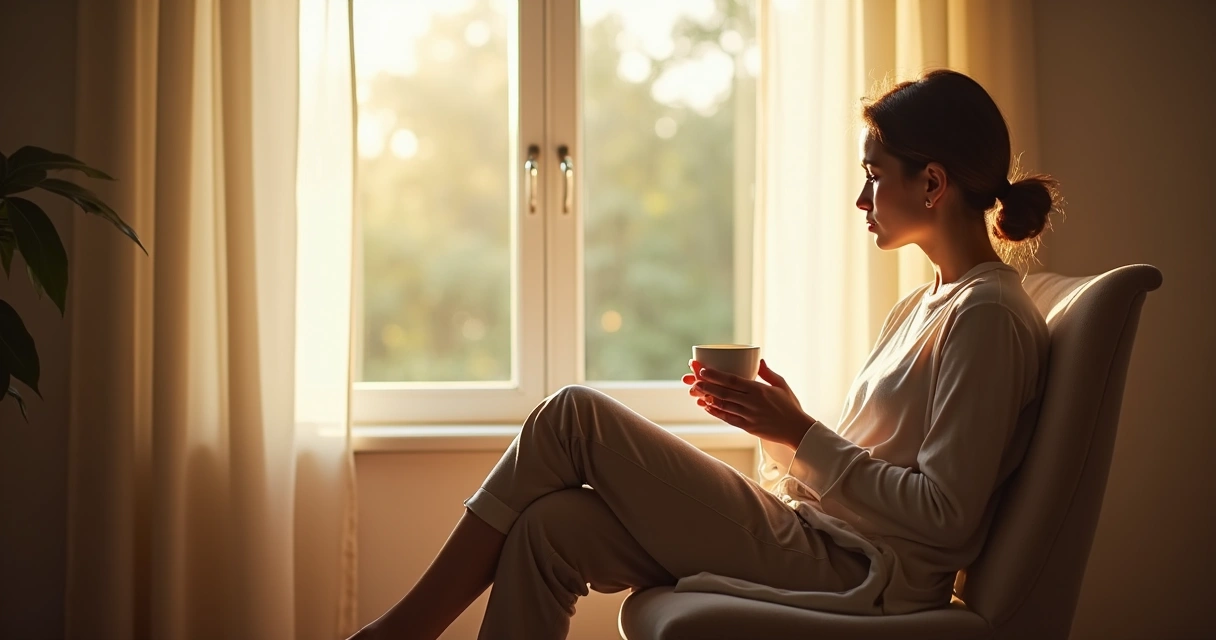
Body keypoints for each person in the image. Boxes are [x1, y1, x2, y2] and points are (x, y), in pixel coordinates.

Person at [350, 69, 1058, 640]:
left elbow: (947, 517)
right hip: (820, 539)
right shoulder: (927, 302)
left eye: (874, 174)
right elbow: (873, 467)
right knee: (549, 528)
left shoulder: (987, 315)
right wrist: (780, 427)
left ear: (932, 183)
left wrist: (798, 433)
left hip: (857, 571)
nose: (859, 196)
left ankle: (400, 633)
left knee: (572, 416)